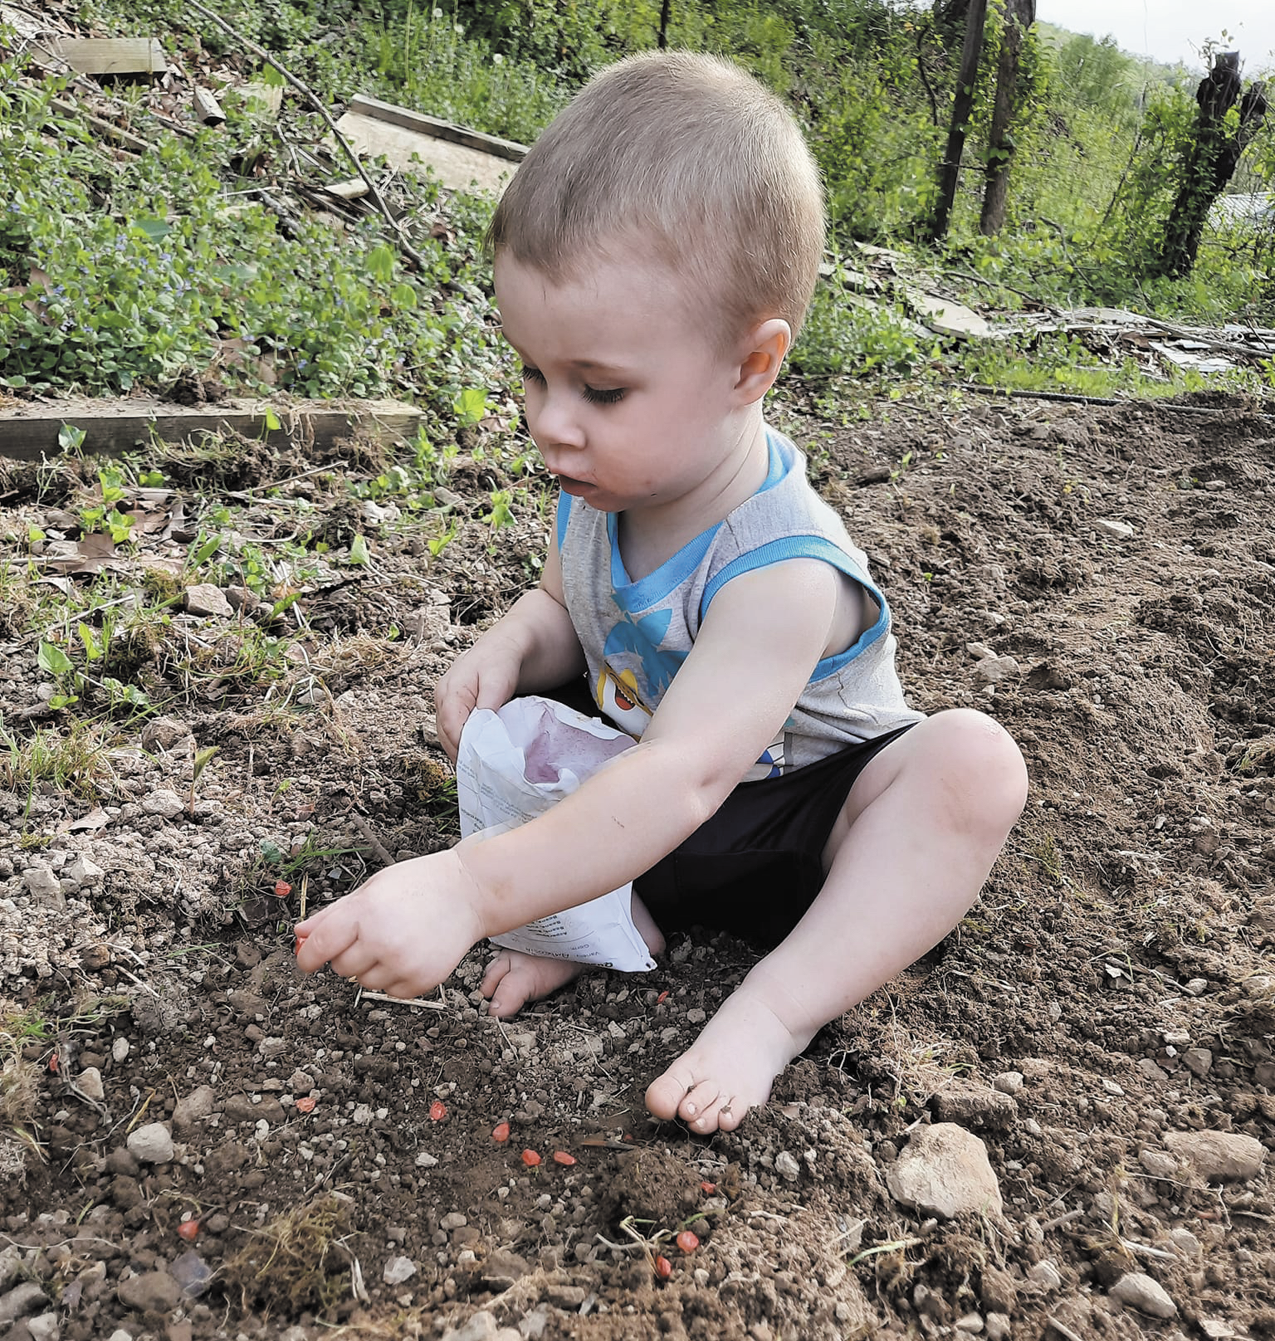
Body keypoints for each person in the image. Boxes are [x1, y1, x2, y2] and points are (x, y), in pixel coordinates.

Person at [295, 51, 1028, 1135]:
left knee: (971, 766)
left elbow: (689, 776)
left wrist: (469, 888)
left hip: (791, 823)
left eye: (600, 387)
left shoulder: (780, 568)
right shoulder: (606, 478)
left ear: (751, 366)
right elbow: (565, 607)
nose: (552, 420)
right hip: (641, 807)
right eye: (534, 372)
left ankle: (773, 1008)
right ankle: (599, 916)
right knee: (537, 724)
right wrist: (514, 643)